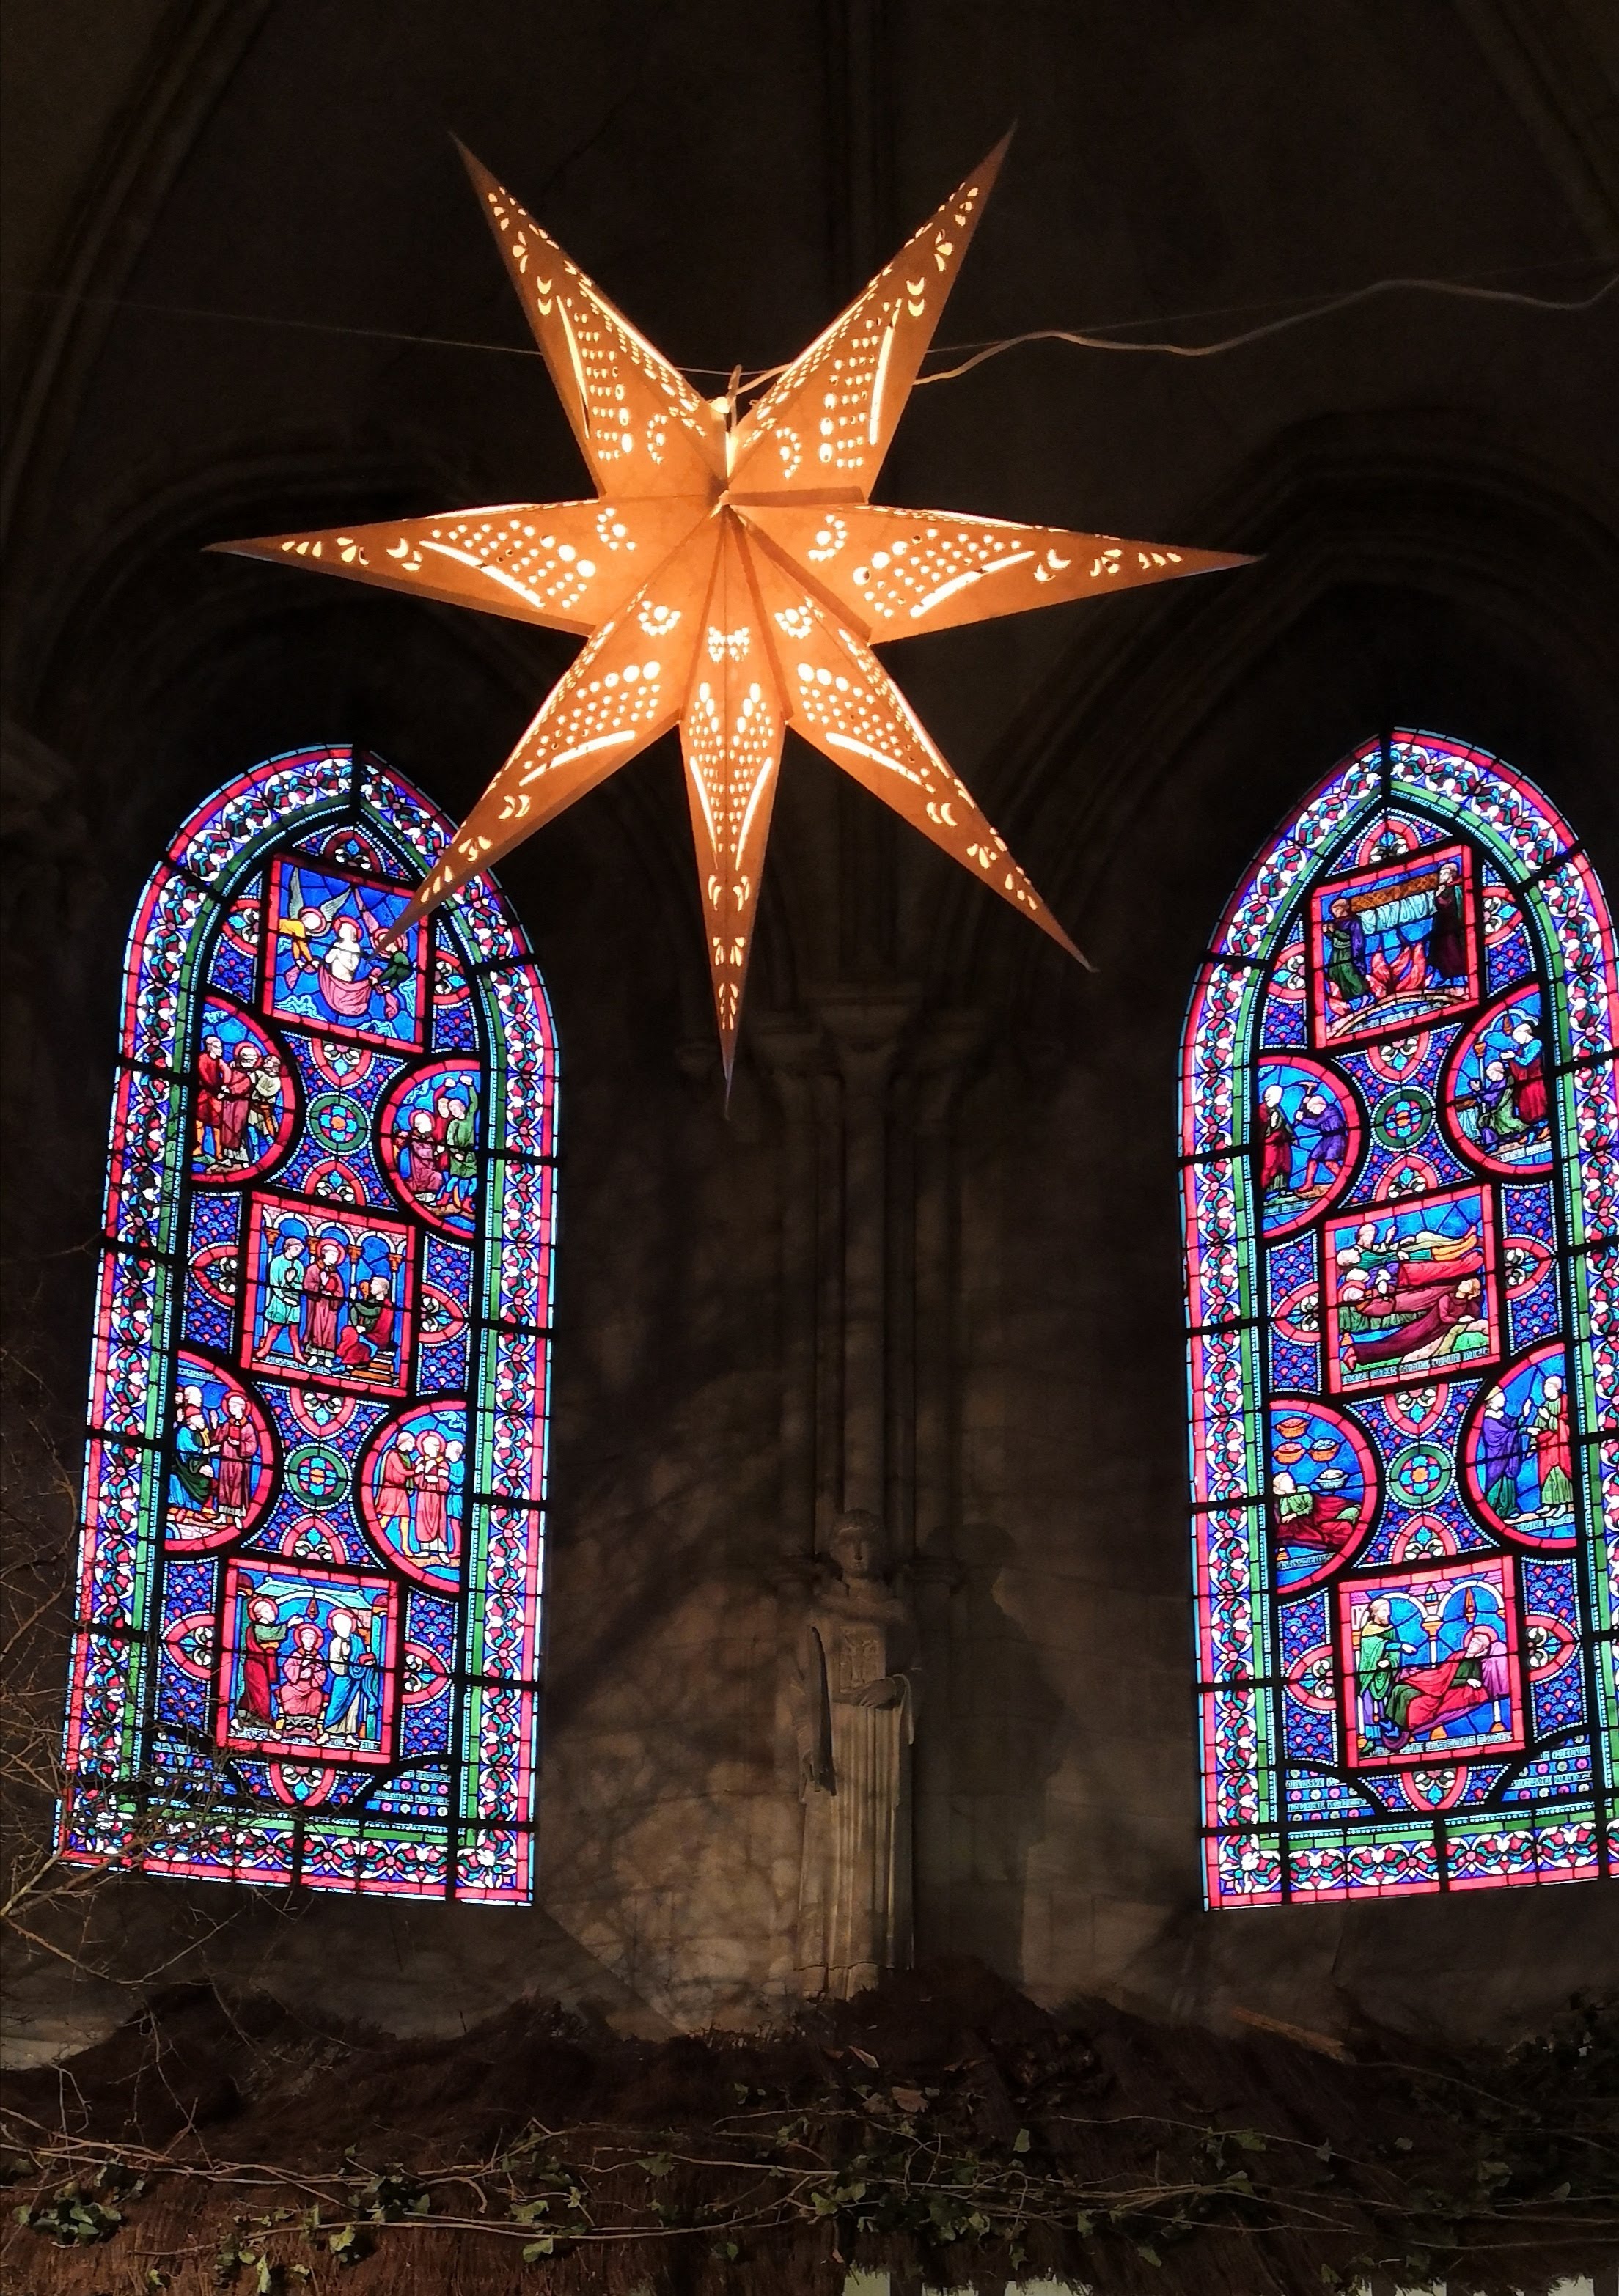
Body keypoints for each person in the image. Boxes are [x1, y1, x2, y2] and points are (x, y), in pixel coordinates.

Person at [1475, 1389, 1523, 1517]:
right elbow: (1500, 1436)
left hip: (1508, 1458)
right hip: (1496, 1459)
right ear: (1491, 1401)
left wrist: (1524, 1416)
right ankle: (1495, 1510)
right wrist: (1524, 1430)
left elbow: (1514, 1426)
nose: (1504, 1399)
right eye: (1500, 1397)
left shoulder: (1503, 1416)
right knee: (1497, 1484)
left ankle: (1510, 1509)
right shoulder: (1488, 1420)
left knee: (1509, 1483)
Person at [1529, 1373, 1574, 1515]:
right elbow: (1538, 1425)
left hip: (1560, 1445)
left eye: (1548, 1388)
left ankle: (1564, 1504)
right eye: (1544, 1388)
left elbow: (1567, 1424)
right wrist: (1533, 1442)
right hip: (1545, 1447)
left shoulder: (1565, 1402)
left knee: (1558, 1472)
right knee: (1546, 1474)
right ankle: (1549, 1505)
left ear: (1557, 1388)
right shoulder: (1545, 1406)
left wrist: (1549, 1418)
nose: (1545, 1391)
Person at [237, 1594, 284, 1726]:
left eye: (272, 1610)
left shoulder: (263, 1628)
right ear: (259, 1615)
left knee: (252, 1692)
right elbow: (269, 1634)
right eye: (267, 1611)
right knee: (262, 1692)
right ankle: (264, 1720)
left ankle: (246, 1714)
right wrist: (288, 1625)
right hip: (255, 1664)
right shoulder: (256, 1628)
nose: (272, 1613)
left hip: (260, 1664)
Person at [279, 1613, 328, 1736]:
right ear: (301, 1639)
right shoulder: (296, 1654)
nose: (309, 1641)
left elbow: (322, 1673)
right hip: (295, 1685)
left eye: (312, 1638)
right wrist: (300, 1669)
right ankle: (291, 1721)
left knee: (316, 1695)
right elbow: (288, 1667)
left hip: (311, 1686)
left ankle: (309, 1722)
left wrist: (312, 1674)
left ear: (315, 1641)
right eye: (306, 1638)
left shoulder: (318, 1656)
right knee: (286, 1691)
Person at [213, 1391, 257, 1524]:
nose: (231, 1409)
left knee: (237, 1489)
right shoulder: (228, 1423)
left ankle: (237, 1517)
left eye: (234, 1406)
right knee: (224, 1488)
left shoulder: (248, 1426)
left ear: (242, 1408)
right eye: (230, 1407)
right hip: (226, 1461)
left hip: (240, 1463)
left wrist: (239, 1444)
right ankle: (222, 1515)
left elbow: (252, 1446)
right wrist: (215, 1425)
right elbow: (218, 1438)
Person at [337, 1272, 394, 1374]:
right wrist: (356, 1326)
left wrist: (354, 1300)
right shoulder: (371, 1301)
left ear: (383, 1288)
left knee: (357, 1345)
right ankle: (339, 1358)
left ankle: (341, 1362)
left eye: (375, 1284)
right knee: (348, 1331)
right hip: (364, 1334)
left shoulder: (387, 1305)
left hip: (376, 1338)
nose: (371, 1286)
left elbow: (368, 1311)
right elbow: (355, 1310)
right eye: (372, 1283)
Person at [262, 1231, 306, 1362]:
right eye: (296, 1249)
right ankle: (265, 1350)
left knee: (294, 1330)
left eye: (300, 1250)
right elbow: (274, 1283)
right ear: (288, 1247)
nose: (299, 1252)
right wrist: (284, 1297)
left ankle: (297, 1354)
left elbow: (301, 1286)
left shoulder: (299, 1265)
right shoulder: (276, 1262)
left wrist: (291, 1281)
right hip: (280, 1301)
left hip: (295, 1301)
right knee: (276, 1326)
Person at [300, 1238, 346, 1365]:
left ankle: (328, 1357)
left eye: (337, 1256)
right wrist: (321, 1287)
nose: (336, 1258)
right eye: (333, 1255)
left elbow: (341, 1292)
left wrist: (333, 1295)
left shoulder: (335, 1274)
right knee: (316, 1329)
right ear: (325, 1254)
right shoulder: (314, 1269)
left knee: (330, 1331)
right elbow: (307, 1284)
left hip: (331, 1308)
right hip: (317, 1305)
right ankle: (314, 1355)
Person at [1322, 896, 1370, 1013]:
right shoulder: (1336, 923)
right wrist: (1327, 933)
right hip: (1337, 953)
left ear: (1343, 909)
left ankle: (1364, 994)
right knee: (1335, 973)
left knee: (1349, 972)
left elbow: (1351, 938)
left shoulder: (1353, 921)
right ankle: (1345, 1001)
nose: (1334, 913)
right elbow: (1335, 939)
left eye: (1336, 910)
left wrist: (1335, 931)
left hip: (1348, 952)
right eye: (1333, 911)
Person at [1294, 1089, 1347, 1192]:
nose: (1312, 1112)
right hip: (1326, 1138)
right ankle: (1309, 1183)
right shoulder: (1320, 1113)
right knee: (1313, 1159)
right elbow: (1312, 1118)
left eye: (1312, 1109)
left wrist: (1302, 1119)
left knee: (1330, 1162)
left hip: (1337, 1138)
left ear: (1319, 1105)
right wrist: (1304, 1104)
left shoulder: (1331, 1110)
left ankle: (1344, 1181)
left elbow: (1315, 1123)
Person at [411, 1431, 453, 1561]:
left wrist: (438, 1480)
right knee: (423, 1522)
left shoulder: (443, 1463)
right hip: (423, 1495)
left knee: (440, 1522)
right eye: (425, 1447)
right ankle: (425, 1549)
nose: (427, 1450)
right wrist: (422, 1475)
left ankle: (442, 1551)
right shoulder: (420, 1461)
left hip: (438, 1497)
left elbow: (446, 1483)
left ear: (437, 1448)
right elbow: (416, 1480)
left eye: (429, 1447)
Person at [375, 1428, 418, 1550]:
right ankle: (375, 1538)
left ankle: (405, 1548)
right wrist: (417, 1470)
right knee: (386, 1518)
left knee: (405, 1519)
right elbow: (402, 1471)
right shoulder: (393, 1455)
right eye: (412, 1443)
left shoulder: (407, 1458)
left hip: (401, 1491)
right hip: (391, 1490)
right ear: (404, 1442)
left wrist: (417, 1466)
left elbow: (410, 1470)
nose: (414, 1446)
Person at [1428, 858, 1468, 983]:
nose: (1441, 876)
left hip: (1452, 926)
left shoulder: (1454, 888)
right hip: (1442, 925)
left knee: (1452, 949)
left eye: (1444, 873)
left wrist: (1438, 896)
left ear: (1452, 875)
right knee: (1442, 951)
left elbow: (1446, 904)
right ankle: (1446, 976)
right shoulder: (1442, 888)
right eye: (1440, 873)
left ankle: (1459, 976)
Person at [1257, 1083, 1293, 1196]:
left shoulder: (1278, 1109)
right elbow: (1259, 1129)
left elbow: (1285, 1123)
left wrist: (1292, 1136)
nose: (1280, 1098)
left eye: (1280, 1095)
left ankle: (1283, 1189)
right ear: (1269, 1096)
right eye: (1278, 1096)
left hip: (1282, 1142)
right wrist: (1271, 1125)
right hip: (1270, 1143)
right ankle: (1263, 1191)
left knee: (1285, 1164)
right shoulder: (1261, 1109)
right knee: (1270, 1166)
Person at [196, 1034, 227, 1161]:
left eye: (221, 1047)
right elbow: (204, 1075)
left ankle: (219, 1153)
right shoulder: (202, 1058)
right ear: (210, 1047)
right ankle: (198, 1148)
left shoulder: (219, 1061)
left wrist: (225, 1086)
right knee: (199, 1121)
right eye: (218, 1047)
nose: (221, 1050)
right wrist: (216, 1089)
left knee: (217, 1124)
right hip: (204, 1094)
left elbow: (227, 1072)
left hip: (216, 1097)